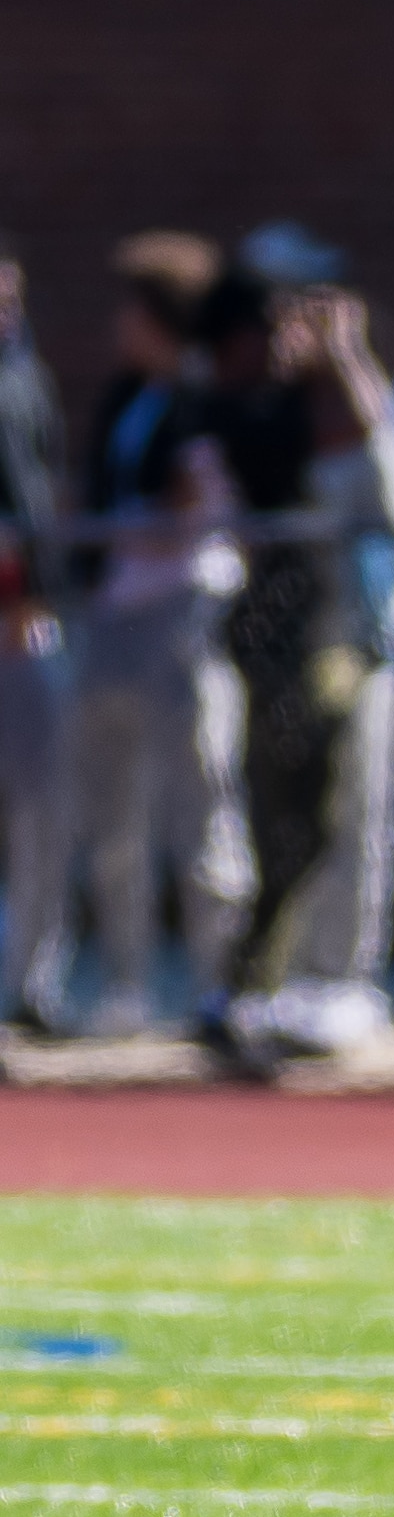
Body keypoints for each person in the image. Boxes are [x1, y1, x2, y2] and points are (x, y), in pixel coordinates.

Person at [192, 254, 394, 1069]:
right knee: (285, 818)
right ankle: (271, 976)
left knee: (361, 810)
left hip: (358, 648)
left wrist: (350, 356)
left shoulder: (367, 418)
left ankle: (342, 978)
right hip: (289, 652)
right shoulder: (268, 417)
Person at [72, 234, 250, 1035]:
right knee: (116, 817)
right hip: (115, 616)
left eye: (133, 310)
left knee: (201, 804)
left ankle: (218, 983)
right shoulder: (121, 400)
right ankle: (126, 984)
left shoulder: (204, 402)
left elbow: (195, 505)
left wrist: (138, 524)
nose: (120, 325)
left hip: (184, 615)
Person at [0, 244, 74, 1035]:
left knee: (42, 805)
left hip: (25, 624)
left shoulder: (27, 379)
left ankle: (33, 982)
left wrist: (44, 585)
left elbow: (44, 495)